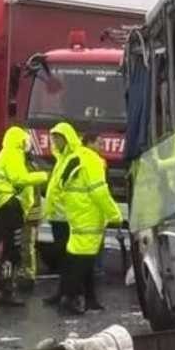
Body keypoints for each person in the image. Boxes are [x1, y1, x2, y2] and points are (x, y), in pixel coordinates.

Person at [57, 130, 122, 315]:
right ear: (90, 142)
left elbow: (59, 185)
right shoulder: (93, 161)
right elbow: (99, 192)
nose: (102, 147)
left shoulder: (75, 157)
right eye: (99, 142)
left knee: (78, 256)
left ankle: (89, 298)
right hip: (89, 215)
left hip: (76, 213)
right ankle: (70, 298)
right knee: (83, 261)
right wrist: (115, 214)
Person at [0, 126, 48, 306]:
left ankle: (5, 288)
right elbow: (19, 178)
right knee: (12, 251)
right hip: (12, 206)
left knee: (10, 249)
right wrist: (43, 176)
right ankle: (5, 290)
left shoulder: (4, 154)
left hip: (6, 205)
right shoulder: (13, 154)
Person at [42, 121, 81, 306]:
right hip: (57, 216)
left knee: (68, 257)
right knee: (63, 257)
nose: (55, 141)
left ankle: (70, 294)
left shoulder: (73, 158)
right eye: (54, 138)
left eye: (58, 138)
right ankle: (64, 292)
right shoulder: (61, 159)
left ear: (67, 139)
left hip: (66, 216)